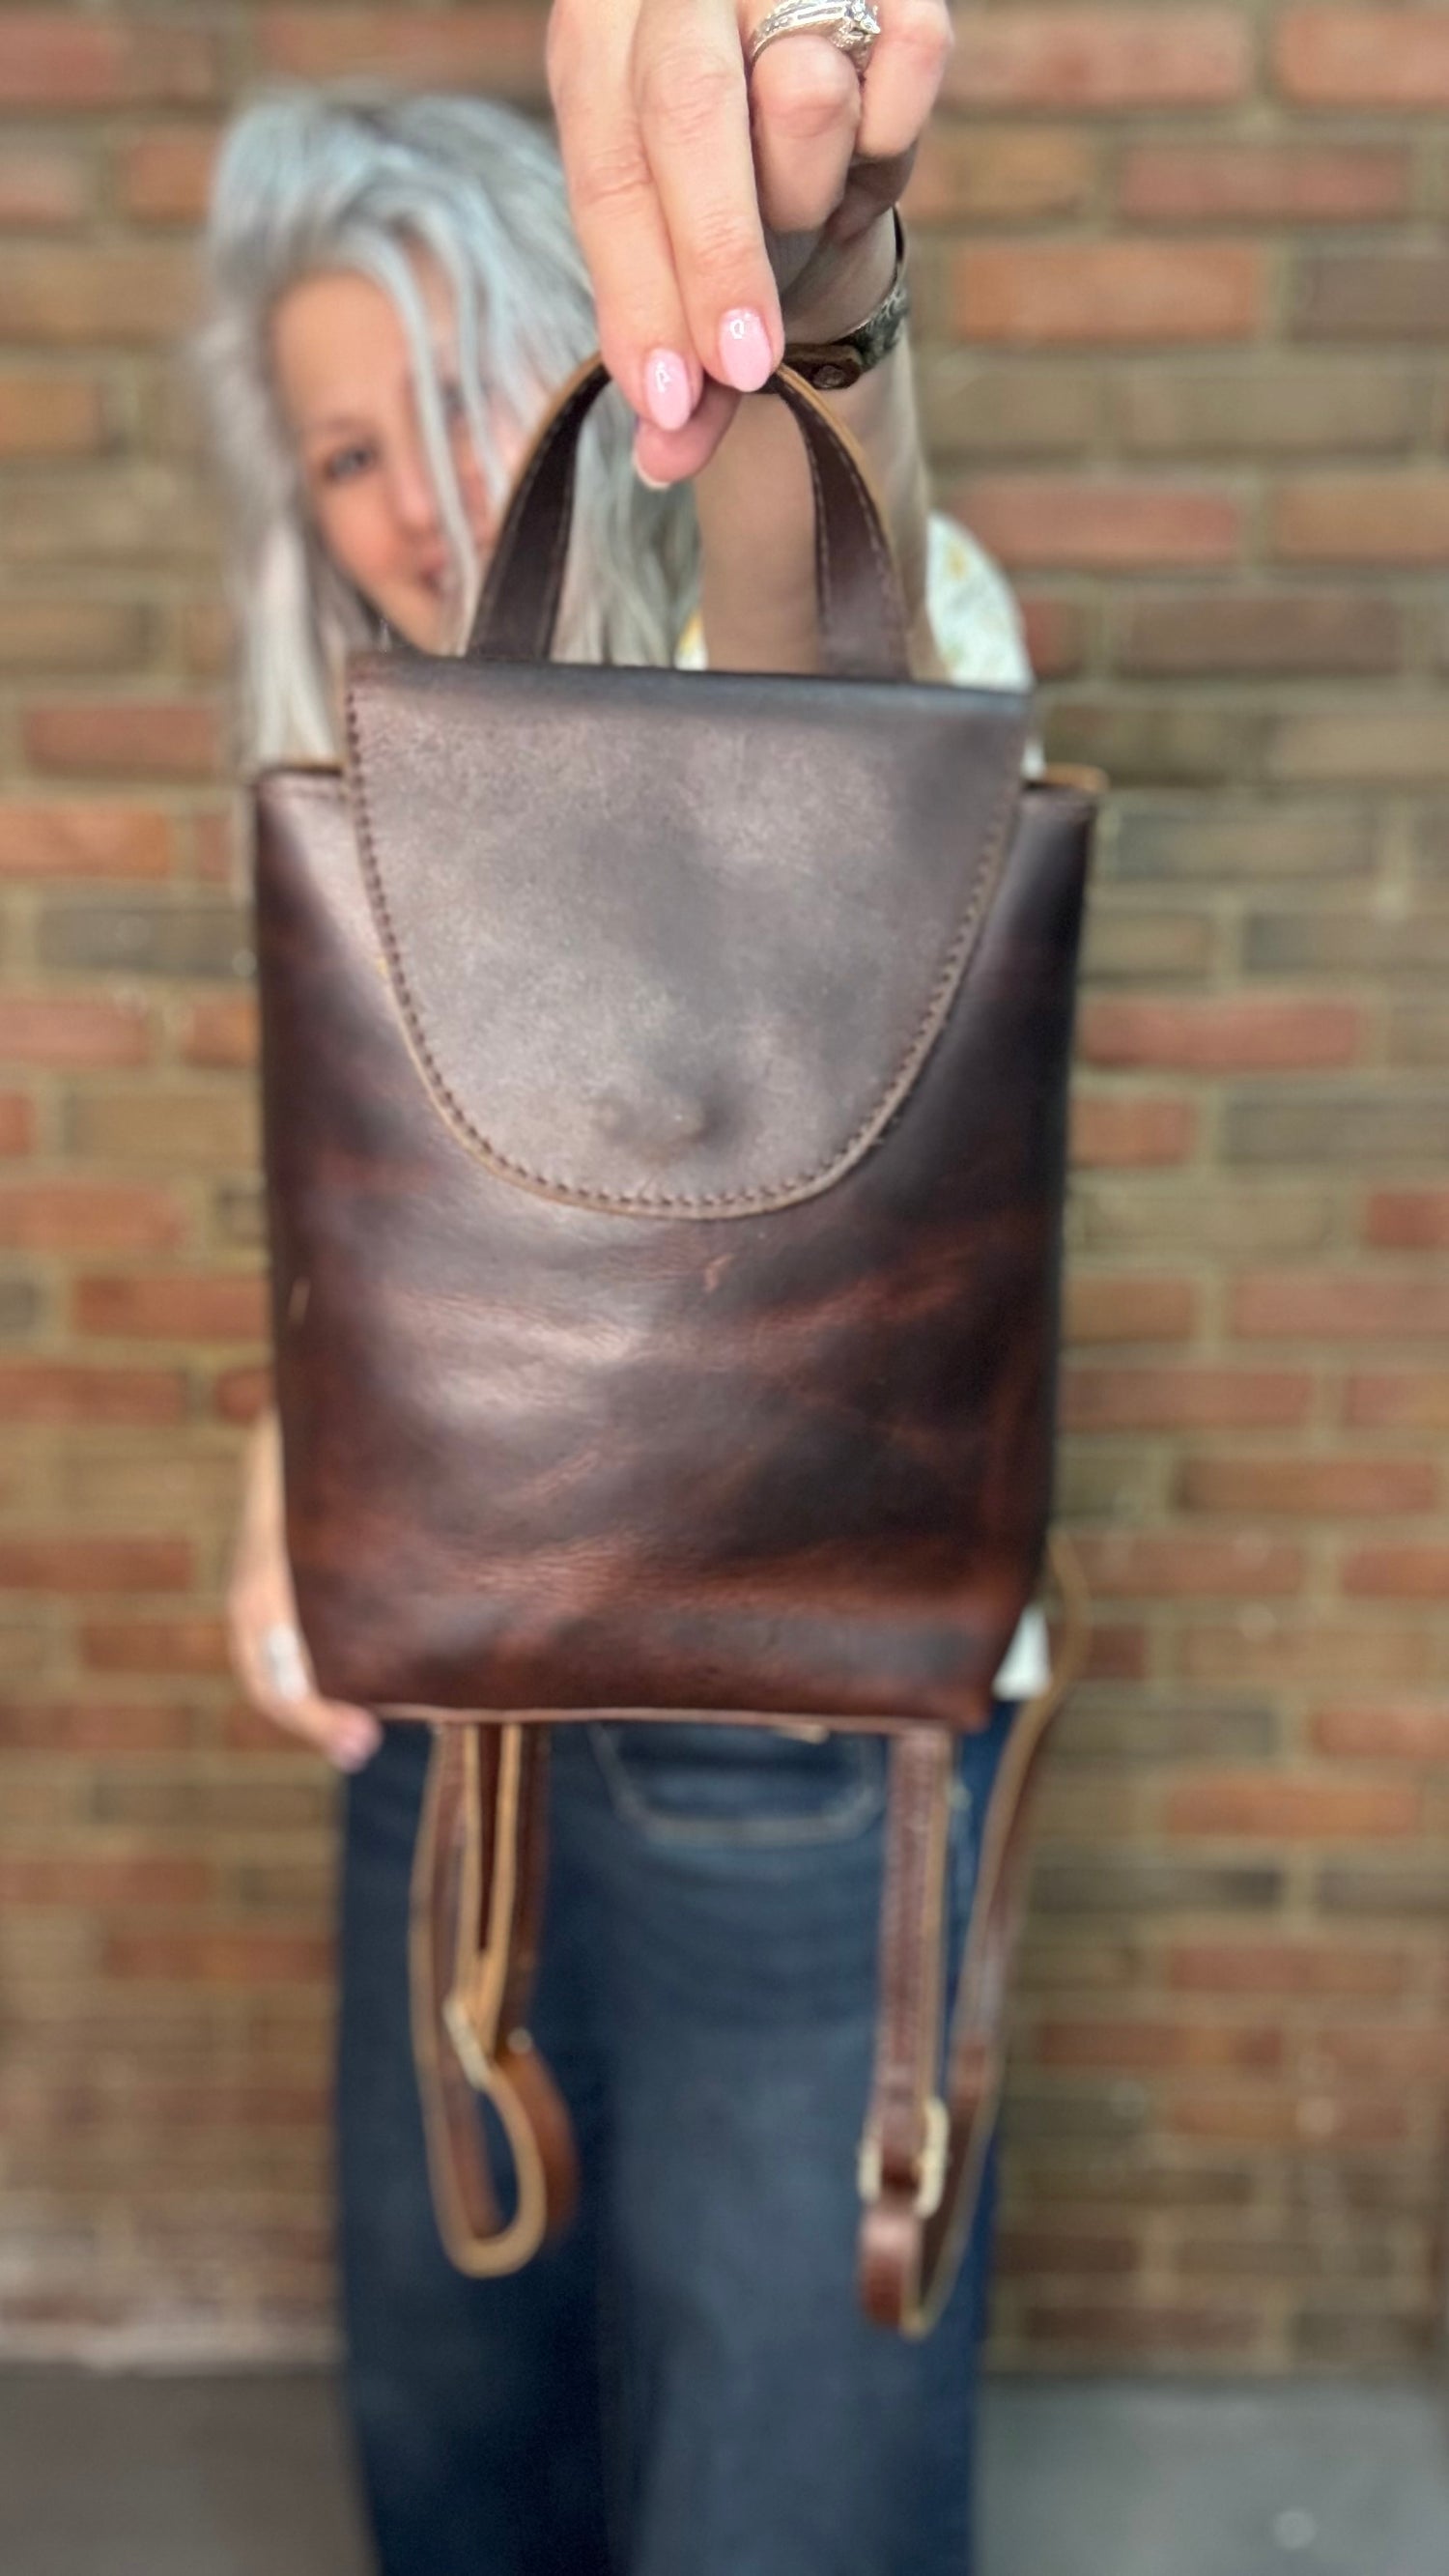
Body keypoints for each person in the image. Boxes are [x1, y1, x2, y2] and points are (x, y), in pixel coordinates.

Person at [211, 30, 1043, 2575]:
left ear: (587, 335)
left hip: (801, 1710)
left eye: (457, 385)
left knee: (781, 2486)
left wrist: (814, 271)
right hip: (450, 1688)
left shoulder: (827, 627)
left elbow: (829, 615)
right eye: (336, 450)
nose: (406, 496)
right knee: (465, 2438)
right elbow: (392, 1188)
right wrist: (287, 1458)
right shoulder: (349, 728)